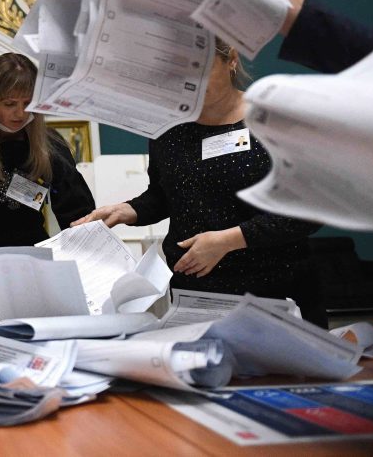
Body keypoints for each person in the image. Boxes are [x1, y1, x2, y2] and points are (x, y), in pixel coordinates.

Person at [75, 39, 325, 326]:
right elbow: (166, 196)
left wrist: (227, 241)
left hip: (275, 289)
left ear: (230, 59)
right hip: (196, 293)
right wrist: (127, 211)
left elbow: (309, 212)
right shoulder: (167, 127)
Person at [0, 52, 96, 313]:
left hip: (30, 260)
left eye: (27, 103)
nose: (20, 113)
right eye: (10, 103)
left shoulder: (50, 146)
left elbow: (77, 212)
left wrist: (88, 261)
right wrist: (8, 278)